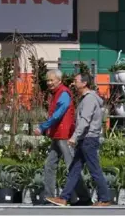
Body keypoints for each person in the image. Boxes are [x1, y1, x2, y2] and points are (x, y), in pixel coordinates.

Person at [46, 73, 111, 207]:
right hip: (84, 139)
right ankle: (64, 198)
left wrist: (74, 137)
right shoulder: (85, 99)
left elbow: (85, 121)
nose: (73, 83)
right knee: (75, 170)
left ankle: (105, 198)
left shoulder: (89, 100)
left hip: (88, 139)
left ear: (84, 83)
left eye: (76, 81)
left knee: (94, 169)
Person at [34, 69, 91, 205]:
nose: (49, 83)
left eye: (51, 80)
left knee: (71, 165)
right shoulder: (56, 93)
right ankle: (49, 196)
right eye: (47, 80)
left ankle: (84, 197)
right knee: (49, 165)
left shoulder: (63, 93)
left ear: (59, 80)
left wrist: (43, 126)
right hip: (57, 134)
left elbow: (59, 113)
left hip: (64, 135)